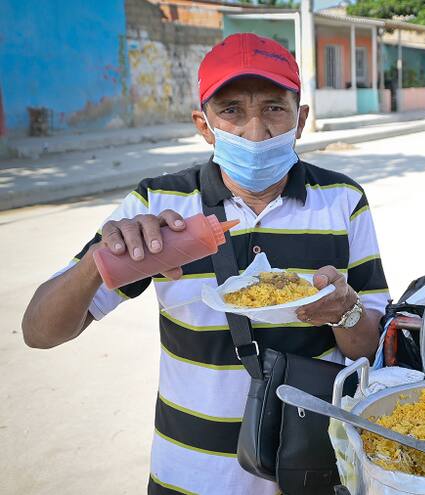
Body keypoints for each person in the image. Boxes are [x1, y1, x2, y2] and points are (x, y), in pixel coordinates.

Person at [21, 33, 389, 495]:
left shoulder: (342, 200)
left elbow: (371, 349)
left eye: (274, 108)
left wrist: (345, 311)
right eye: (231, 110)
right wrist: (98, 261)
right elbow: (39, 332)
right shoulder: (159, 203)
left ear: (300, 120)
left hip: (309, 472)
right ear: (204, 124)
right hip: (189, 475)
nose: (255, 131)